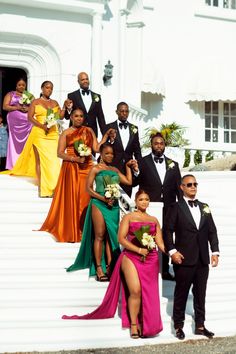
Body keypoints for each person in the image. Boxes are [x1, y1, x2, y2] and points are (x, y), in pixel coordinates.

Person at [62, 190, 165, 339]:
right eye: (141, 199)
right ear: (135, 201)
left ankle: (147, 323)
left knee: (148, 294)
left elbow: (159, 242)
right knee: (135, 291)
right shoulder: (129, 217)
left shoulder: (154, 220)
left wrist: (171, 252)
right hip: (131, 256)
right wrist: (138, 249)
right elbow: (121, 239)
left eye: (147, 199)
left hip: (150, 258)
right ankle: (134, 324)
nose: (144, 202)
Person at [39, 109, 114, 242]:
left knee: (85, 199)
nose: (79, 118)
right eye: (76, 116)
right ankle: (73, 231)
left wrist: (105, 137)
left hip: (87, 168)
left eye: (81, 116)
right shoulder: (66, 133)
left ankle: (84, 231)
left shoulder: (89, 131)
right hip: (72, 168)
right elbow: (59, 153)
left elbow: (97, 149)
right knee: (74, 199)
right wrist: (75, 159)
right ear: (72, 118)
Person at [66, 142, 137, 281]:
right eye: (107, 153)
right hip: (99, 203)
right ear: (101, 155)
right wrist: (103, 199)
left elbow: (129, 182)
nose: (110, 156)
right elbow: (88, 189)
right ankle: (99, 268)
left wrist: (128, 167)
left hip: (114, 206)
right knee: (99, 235)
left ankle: (111, 266)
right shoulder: (95, 169)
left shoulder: (115, 169)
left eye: (112, 154)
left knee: (111, 236)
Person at [164, 174, 220, 340]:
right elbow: (167, 231)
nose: (193, 187)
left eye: (195, 184)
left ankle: (200, 325)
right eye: (189, 184)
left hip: (202, 259)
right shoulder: (175, 207)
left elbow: (212, 231)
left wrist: (215, 252)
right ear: (182, 187)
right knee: (180, 293)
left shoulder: (204, 207)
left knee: (200, 294)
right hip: (184, 259)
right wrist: (173, 252)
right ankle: (178, 326)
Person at [2, 81, 69, 197]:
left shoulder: (54, 102)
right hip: (39, 133)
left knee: (53, 160)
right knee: (41, 160)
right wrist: (42, 125)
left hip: (53, 134)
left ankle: (54, 186)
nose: (49, 90)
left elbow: (60, 117)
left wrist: (64, 107)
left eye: (51, 88)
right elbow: (30, 117)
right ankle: (43, 187)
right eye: (47, 88)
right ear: (42, 88)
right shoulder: (35, 102)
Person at [133, 132, 182, 281]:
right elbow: (135, 183)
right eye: (156, 143)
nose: (159, 146)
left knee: (167, 236)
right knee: (146, 235)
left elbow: (179, 189)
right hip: (149, 206)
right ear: (151, 145)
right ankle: (146, 267)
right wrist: (135, 171)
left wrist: (180, 208)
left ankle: (165, 270)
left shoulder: (174, 165)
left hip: (169, 206)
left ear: (164, 145)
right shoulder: (142, 162)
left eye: (161, 143)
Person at [106, 102, 142, 197]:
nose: (124, 113)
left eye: (126, 111)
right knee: (111, 195)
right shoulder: (109, 127)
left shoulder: (134, 128)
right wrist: (112, 141)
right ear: (117, 112)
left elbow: (137, 150)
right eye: (122, 111)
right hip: (113, 167)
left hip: (128, 170)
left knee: (127, 196)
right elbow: (104, 147)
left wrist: (139, 167)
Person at [2, 78, 33, 169]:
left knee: (27, 141)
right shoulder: (10, 94)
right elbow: (5, 106)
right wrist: (17, 107)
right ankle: (13, 164)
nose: (21, 86)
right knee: (13, 141)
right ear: (16, 86)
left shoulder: (30, 96)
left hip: (27, 122)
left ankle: (24, 164)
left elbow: (35, 107)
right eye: (19, 85)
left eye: (23, 85)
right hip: (14, 122)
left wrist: (28, 109)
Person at [65, 72, 106, 136]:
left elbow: (101, 117)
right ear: (78, 81)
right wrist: (69, 109)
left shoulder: (97, 96)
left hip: (92, 133)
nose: (85, 81)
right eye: (82, 80)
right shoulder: (72, 96)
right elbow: (67, 116)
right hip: (76, 132)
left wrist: (105, 135)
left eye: (87, 79)